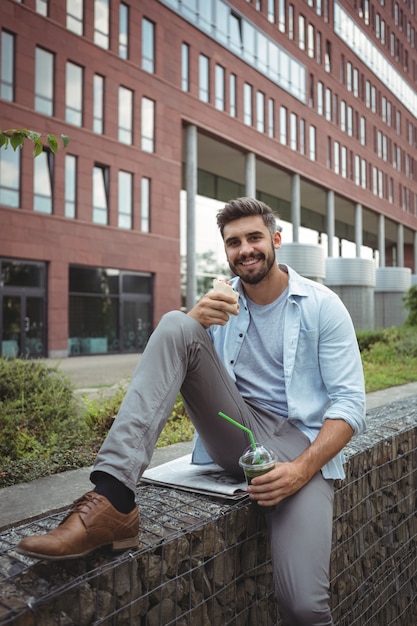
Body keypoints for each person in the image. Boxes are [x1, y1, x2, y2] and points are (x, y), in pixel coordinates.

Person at [17, 197, 366, 625]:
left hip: (302, 450)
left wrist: (300, 470)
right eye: (233, 242)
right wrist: (194, 321)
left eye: (254, 237)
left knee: (303, 606)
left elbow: (350, 404)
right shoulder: (221, 304)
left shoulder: (321, 305)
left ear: (276, 240)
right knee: (174, 323)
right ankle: (113, 498)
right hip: (239, 434)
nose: (245, 250)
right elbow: (179, 358)